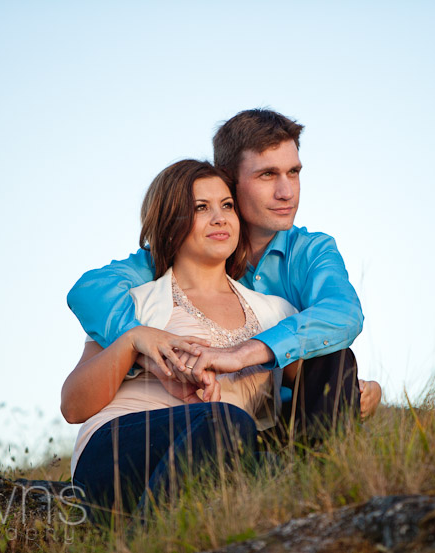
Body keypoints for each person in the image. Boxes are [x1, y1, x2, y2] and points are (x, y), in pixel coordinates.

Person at [67, 108, 380, 440]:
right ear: (229, 179)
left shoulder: (311, 252)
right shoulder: (169, 263)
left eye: (294, 172)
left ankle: (324, 476)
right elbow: (90, 290)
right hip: (202, 426)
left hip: (278, 414)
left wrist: (243, 353)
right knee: (224, 427)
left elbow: (342, 314)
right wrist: (142, 344)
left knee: (336, 356)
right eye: (267, 175)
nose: (286, 191)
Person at [62, 160, 299, 523]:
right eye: (201, 208)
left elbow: (314, 383)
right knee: (226, 422)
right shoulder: (137, 303)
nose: (219, 218)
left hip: (217, 453)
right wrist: (132, 341)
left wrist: (363, 388)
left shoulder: (277, 312)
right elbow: (74, 407)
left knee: (250, 444)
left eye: (227, 205)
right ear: (170, 222)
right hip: (115, 455)